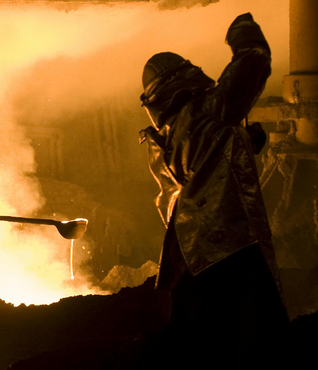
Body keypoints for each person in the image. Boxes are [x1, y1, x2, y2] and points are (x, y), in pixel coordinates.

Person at [137, 13, 287, 367]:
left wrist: (244, 143)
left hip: (189, 252)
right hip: (230, 243)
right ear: (189, 81)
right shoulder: (210, 111)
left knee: (201, 340)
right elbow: (252, 62)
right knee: (249, 335)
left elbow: (202, 170)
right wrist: (244, 30)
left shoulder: (165, 140)